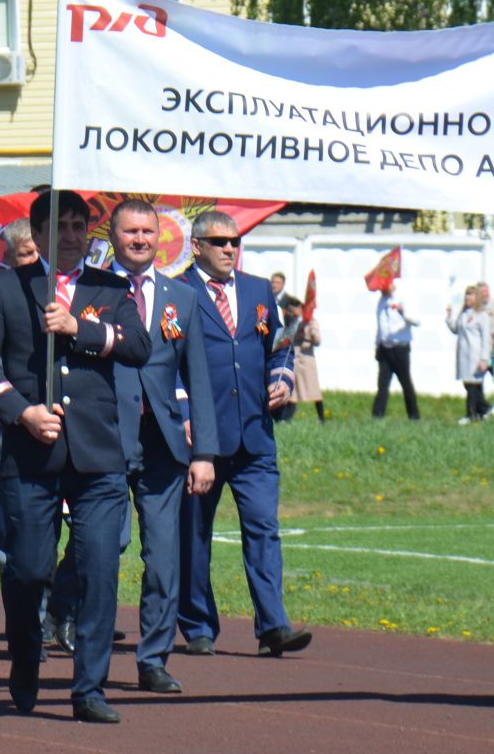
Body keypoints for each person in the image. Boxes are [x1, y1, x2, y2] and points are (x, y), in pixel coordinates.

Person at [0, 189, 150, 724]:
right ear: (38, 233)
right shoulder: (8, 287)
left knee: (99, 569)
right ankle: (24, 659)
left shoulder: (109, 287)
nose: (70, 236)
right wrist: (21, 412)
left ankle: (89, 688)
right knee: (27, 570)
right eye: (60, 226)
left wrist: (80, 329)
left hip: (97, 454)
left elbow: (138, 346)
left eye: (78, 227)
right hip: (31, 452)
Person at [178, 210, 311, 660]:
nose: (230, 248)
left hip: (255, 434)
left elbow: (278, 344)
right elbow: (165, 362)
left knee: (263, 528)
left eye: (236, 241)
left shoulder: (256, 290)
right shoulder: (178, 291)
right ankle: (197, 625)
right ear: (197, 246)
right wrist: (182, 414)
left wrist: (283, 376)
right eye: (219, 242)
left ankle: (273, 624)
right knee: (194, 534)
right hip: (202, 439)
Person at [103, 199, 218, 696]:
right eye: (131, 232)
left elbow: (199, 379)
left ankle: (153, 659)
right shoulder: (92, 291)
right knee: (103, 552)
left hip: (165, 446)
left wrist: (205, 453)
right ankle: (81, 638)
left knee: (164, 558)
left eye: (148, 232)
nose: (141, 240)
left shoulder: (182, 298)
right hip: (106, 439)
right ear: (114, 237)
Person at [371, 282, 420, 420]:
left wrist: (402, 312)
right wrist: (377, 343)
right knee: (382, 384)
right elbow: (380, 325)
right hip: (385, 348)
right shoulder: (381, 302)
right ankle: (377, 415)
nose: (381, 291)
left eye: (383, 288)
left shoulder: (404, 297)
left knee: (405, 383)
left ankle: (414, 415)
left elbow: (416, 321)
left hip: (400, 348)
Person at [449, 286, 493, 424]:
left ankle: (471, 414)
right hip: (463, 354)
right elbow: (455, 329)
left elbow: (486, 338)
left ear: (477, 298)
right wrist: (449, 317)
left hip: (475, 355)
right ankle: (485, 411)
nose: (468, 298)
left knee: (473, 385)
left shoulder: (482, 315)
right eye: (466, 295)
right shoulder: (463, 314)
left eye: (471, 295)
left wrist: (484, 358)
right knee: (469, 384)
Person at [280, 295, 326, 423]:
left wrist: (311, 332)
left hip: (307, 359)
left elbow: (317, 341)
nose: (291, 311)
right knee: (292, 392)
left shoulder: (310, 321)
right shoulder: (292, 321)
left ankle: (321, 417)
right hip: (294, 359)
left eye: (293, 309)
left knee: (313, 390)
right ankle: (286, 418)